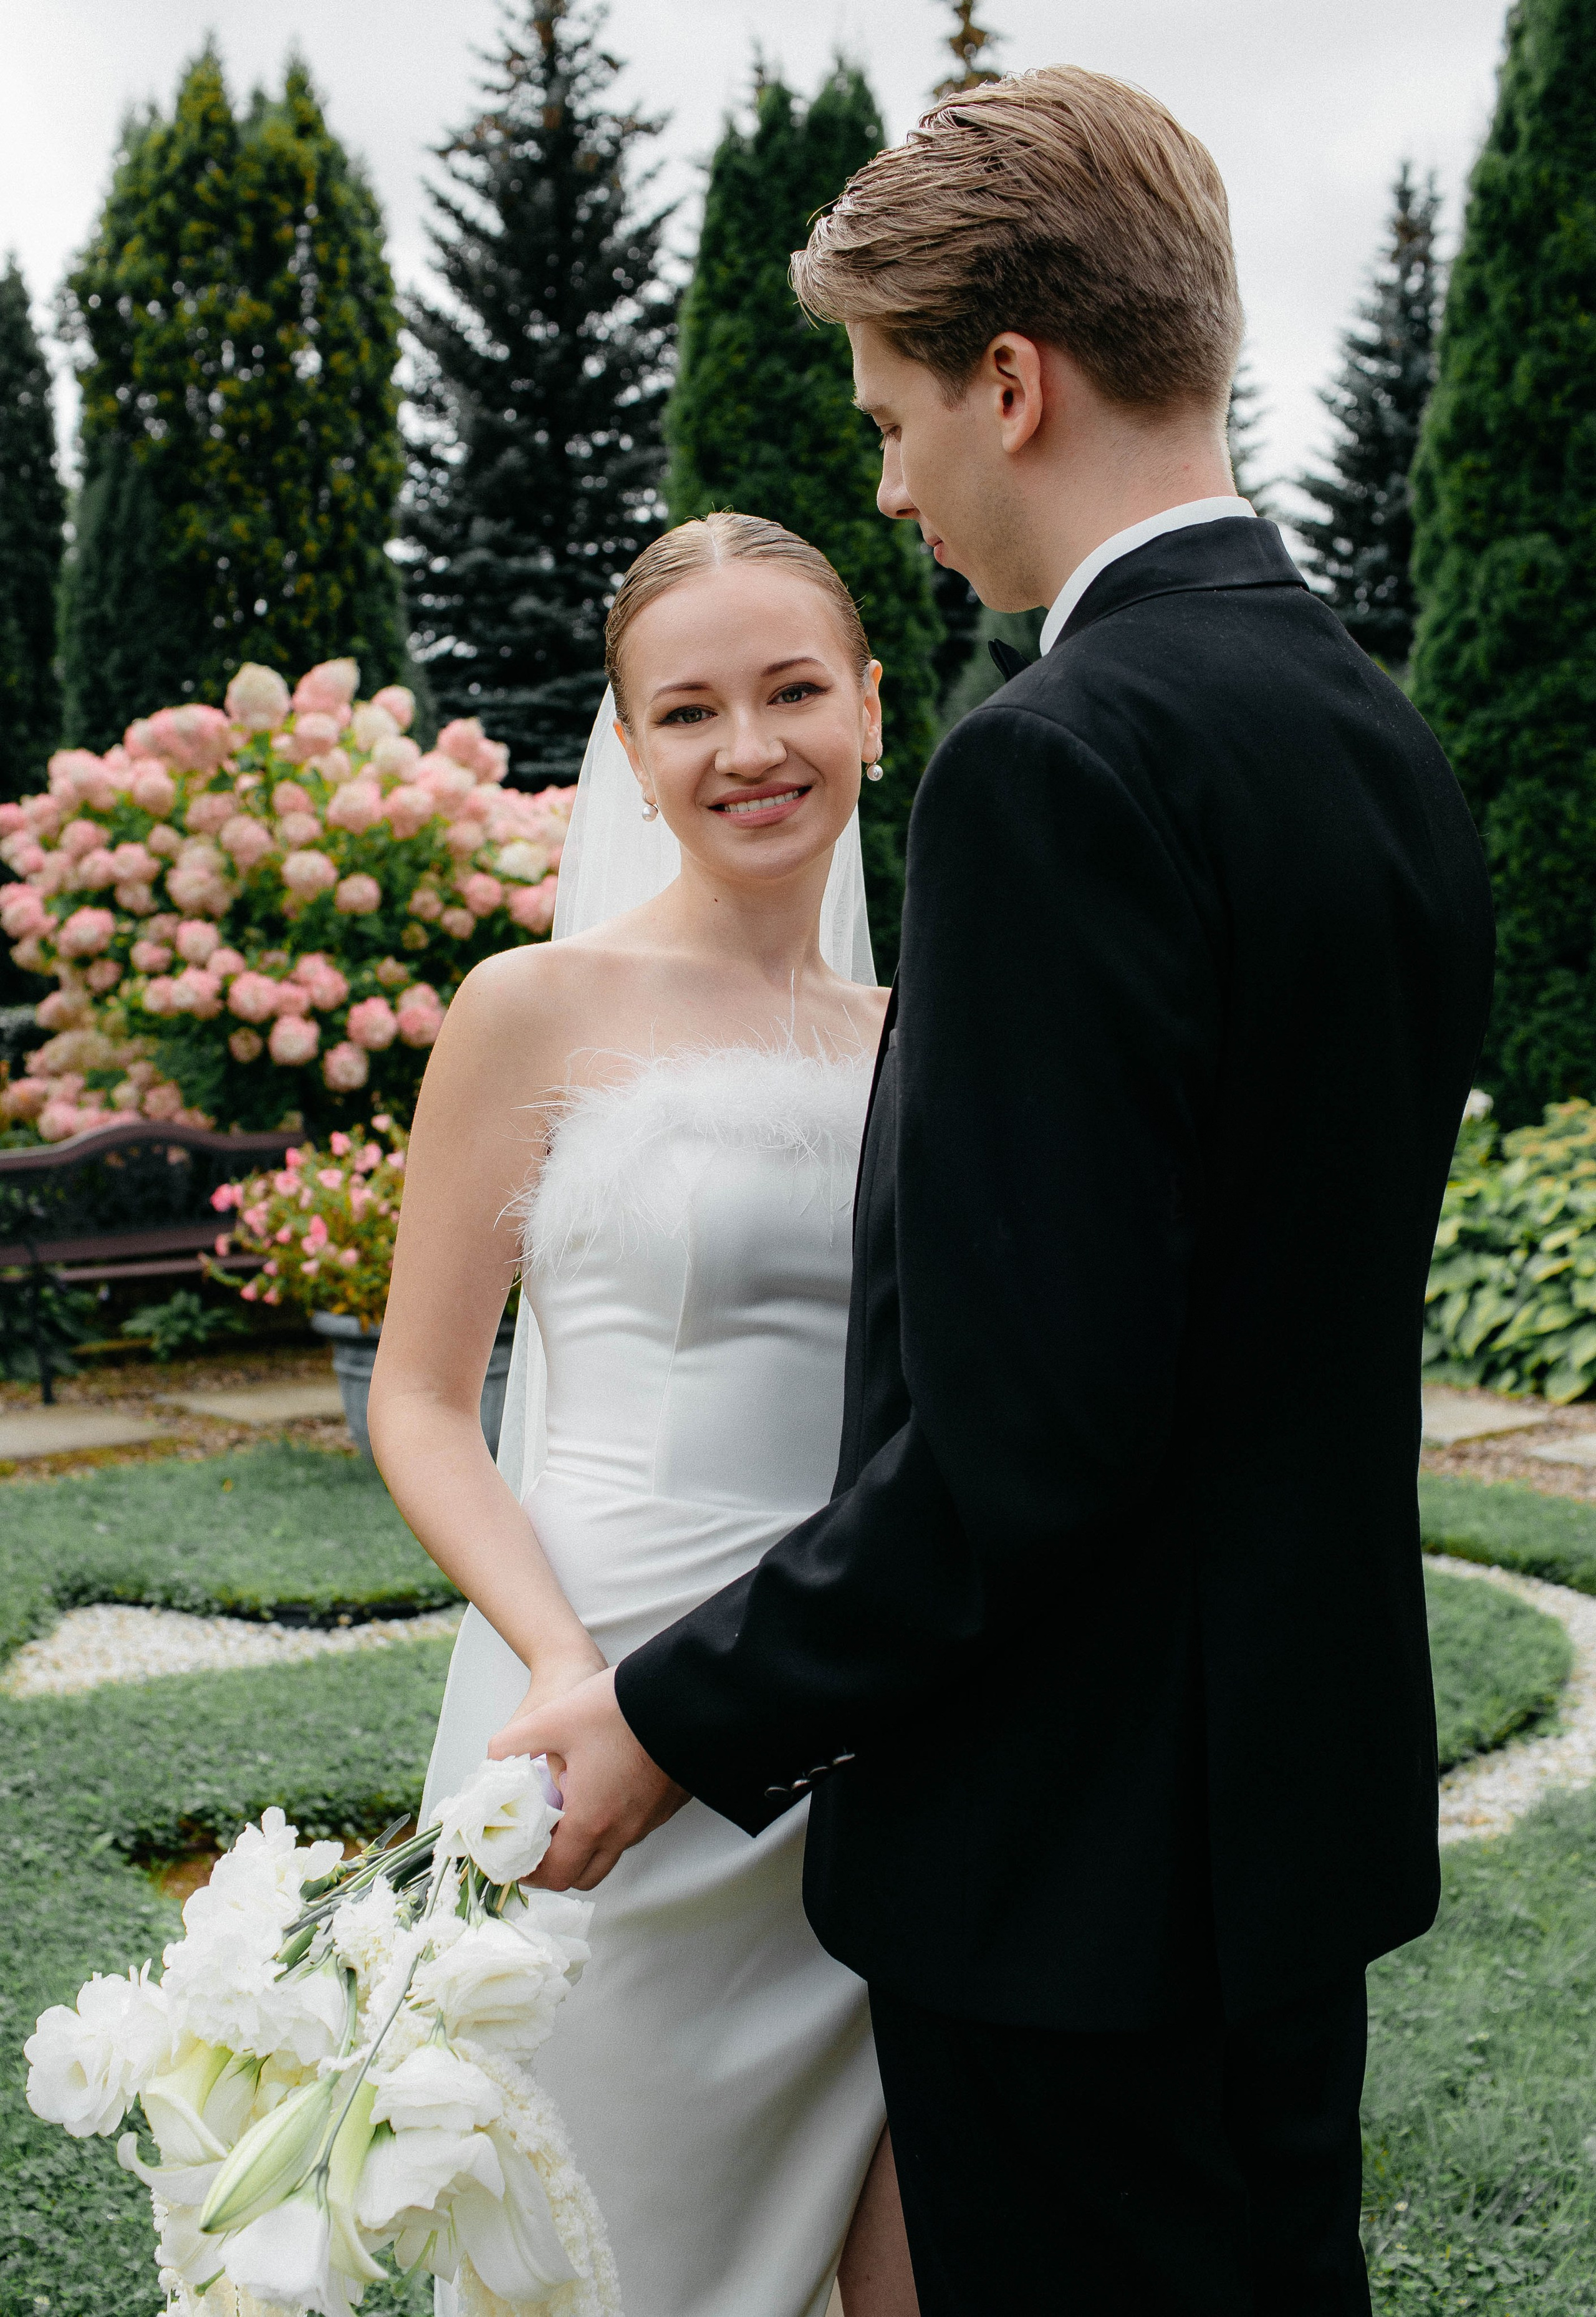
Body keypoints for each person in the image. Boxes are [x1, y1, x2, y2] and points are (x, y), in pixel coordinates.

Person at [499, 64, 1497, 2315]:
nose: (894, 480)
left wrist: (670, 1717)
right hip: (1286, 1848)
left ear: (1012, 383)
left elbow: (1028, 1439)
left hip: (1068, 1880)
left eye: (891, 415)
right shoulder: (1381, 742)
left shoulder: (1057, 765)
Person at [367, 513, 918, 2317]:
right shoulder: (530, 1009)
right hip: (587, 1689)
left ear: (874, 711)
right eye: (688, 710)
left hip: (858, 1727)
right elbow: (425, 1397)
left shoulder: (929, 1030)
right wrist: (556, 1666)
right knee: (589, 2230)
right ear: (629, 750)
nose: (748, 747)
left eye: (792, 691)